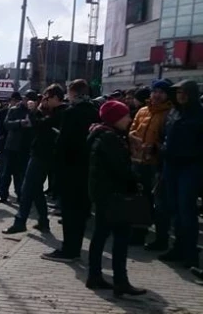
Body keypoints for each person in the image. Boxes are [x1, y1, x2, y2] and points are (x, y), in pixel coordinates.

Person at [86, 100, 147, 297]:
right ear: (115, 118)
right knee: (120, 238)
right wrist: (136, 176)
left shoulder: (102, 134)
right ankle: (120, 281)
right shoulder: (110, 139)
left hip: (104, 194)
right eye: (126, 115)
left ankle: (95, 276)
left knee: (101, 235)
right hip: (114, 196)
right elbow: (121, 170)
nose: (129, 119)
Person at [43, 79, 100, 262]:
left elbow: (64, 143)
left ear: (72, 93)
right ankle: (76, 247)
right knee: (81, 212)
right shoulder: (94, 111)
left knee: (69, 213)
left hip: (70, 168)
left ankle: (69, 250)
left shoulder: (71, 113)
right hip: (88, 169)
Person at [3, 84, 65, 235]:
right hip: (40, 153)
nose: (44, 101)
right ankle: (43, 221)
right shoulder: (53, 112)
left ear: (55, 98)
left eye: (47, 98)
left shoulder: (60, 113)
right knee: (36, 189)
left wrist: (32, 111)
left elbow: (40, 126)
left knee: (27, 189)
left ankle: (20, 222)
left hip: (43, 155)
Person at [158, 80, 203, 269]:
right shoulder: (174, 113)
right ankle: (177, 247)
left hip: (190, 167)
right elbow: (165, 135)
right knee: (174, 208)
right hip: (171, 165)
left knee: (187, 210)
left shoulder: (199, 115)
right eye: (178, 92)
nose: (181, 95)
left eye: (185, 92)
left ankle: (190, 253)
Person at [128, 80, 172, 250]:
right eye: (155, 91)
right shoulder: (142, 111)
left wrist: (155, 147)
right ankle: (138, 234)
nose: (157, 95)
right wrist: (133, 138)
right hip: (137, 160)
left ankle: (161, 238)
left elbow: (168, 140)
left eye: (161, 92)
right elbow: (133, 128)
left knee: (159, 202)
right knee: (139, 199)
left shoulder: (169, 114)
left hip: (156, 164)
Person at [0, 91, 32, 204]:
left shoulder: (34, 112)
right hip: (12, 146)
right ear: (24, 99)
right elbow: (7, 124)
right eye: (28, 99)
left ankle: (20, 194)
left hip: (25, 147)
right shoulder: (14, 110)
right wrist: (20, 123)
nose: (29, 102)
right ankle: (3, 194)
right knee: (7, 172)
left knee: (21, 174)